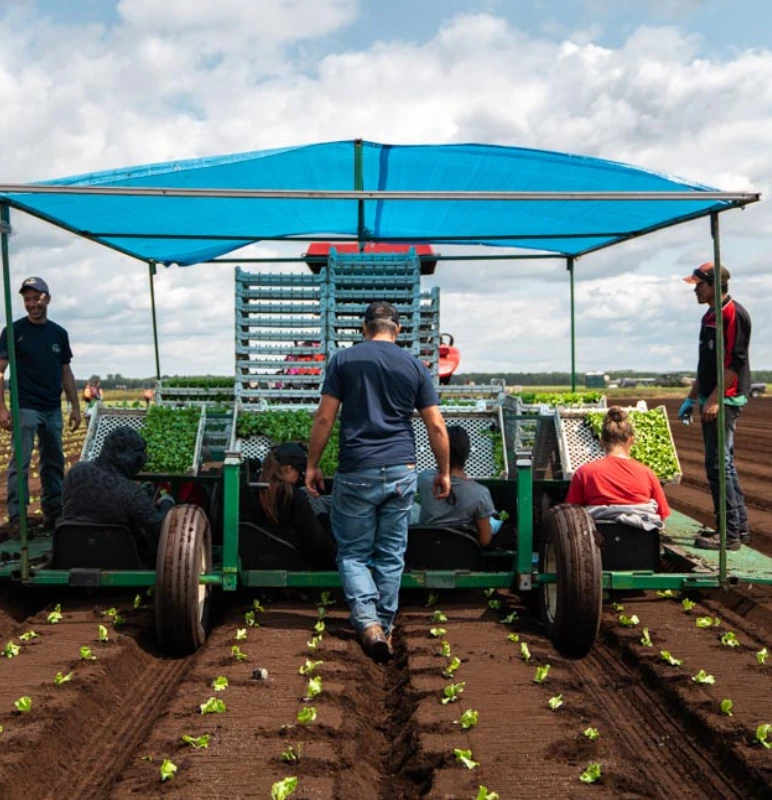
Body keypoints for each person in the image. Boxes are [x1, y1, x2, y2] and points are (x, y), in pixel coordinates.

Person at [305, 300, 450, 663]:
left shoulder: (344, 361)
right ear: (397, 329)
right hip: (402, 469)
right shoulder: (415, 365)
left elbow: (324, 418)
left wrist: (312, 464)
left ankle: (368, 623)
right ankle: (383, 625)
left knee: (353, 552)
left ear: (363, 327)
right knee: (390, 553)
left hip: (356, 470)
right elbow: (435, 424)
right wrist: (444, 471)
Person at [0, 277, 81, 538]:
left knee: (53, 461)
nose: (33, 304)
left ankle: (53, 513)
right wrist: (2, 409)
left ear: (48, 298)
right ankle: (17, 517)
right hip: (25, 407)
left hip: (52, 408)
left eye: (37, 298)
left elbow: (65, 370)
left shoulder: (58, 333)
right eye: (28, 299)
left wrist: (75, 407)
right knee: (20, 462)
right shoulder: (13, 332)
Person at [679, 262, 752, 551]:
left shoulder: (733, 314)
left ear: (713, 285)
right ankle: (738, 528)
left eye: (698, 284)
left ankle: (729, 534)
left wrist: (714, 400)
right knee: (722, 464)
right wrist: (692, 395)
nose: (695, 289)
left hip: (725, 399)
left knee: (718, 464)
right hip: (711, 397)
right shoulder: (709, 315)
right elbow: (707, 365)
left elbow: (735, 362)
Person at [61, 426, 174, 561]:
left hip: (72, 553)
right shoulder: (132, 494)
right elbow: (160, 529)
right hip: (117, 559)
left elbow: (101, 498)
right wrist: (167, 504)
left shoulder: (75, 472)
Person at [565, 407, 671, 528]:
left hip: (598, 542)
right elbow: (662, 515)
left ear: (602, 441)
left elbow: (571, 513)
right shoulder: (647, 473)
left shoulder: (584, 472)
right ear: (631, 440)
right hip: (641, 543)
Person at [240, 442, 336, 566]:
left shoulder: (245, 486)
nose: (299, 479)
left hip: (247, 557)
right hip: (287, 560)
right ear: (290, 468)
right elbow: (316, 542)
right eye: (300, 474)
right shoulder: (293, 497)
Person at [417, 425, 495, 547]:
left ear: (438, 450)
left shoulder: (424, 478)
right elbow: (484, 540)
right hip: (463, 559)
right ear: (467, 453)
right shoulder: (480, 493)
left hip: (426, 553)